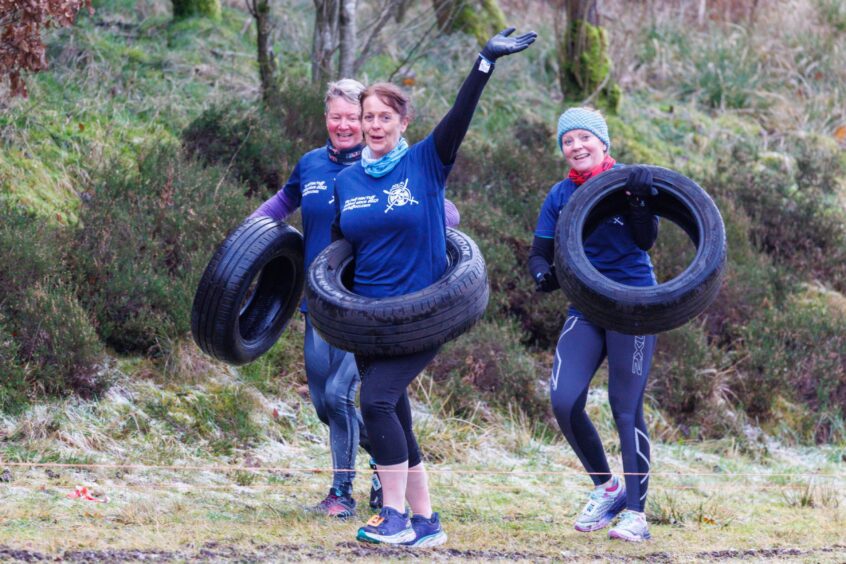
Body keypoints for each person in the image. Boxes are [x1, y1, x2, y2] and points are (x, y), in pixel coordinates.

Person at [330, 28, 536, 547]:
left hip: (419, 314)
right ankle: (426, 522)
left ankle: (393, 515)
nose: (374, 126)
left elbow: (461, 115)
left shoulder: (426, 162)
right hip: (366, 320)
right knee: (393, 409)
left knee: (374, 401)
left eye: (384, 117)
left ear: (403, 123)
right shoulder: (346, 183)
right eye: (367, 117)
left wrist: (485, 62)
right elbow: (340, 253)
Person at [250, 79, 462, 519]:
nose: (346, 125)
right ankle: (387, 470)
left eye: (354, 116)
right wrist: (244, 240)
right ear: (326, 119)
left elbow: (435, 206)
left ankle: (349, 490)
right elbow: (283, 203)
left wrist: (433, 222)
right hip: (322, 305)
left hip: (369, 310)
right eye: (337, 116)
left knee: (350, 396)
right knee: (326, 403)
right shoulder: (312, 166)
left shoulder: (392, 167)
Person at [528, 107, 659, 542]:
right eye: (568, 140)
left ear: (603, 143)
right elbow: (538, 252)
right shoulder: (559, 194)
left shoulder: (628, 182)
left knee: (626, 408)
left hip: (633, 304)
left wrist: (640, 201)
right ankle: (607, 487)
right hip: (585, 306)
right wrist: (542, 274)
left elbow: (645, 240)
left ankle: (637, 515)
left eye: (585, 137)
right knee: (564, 401)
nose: (576, 146)